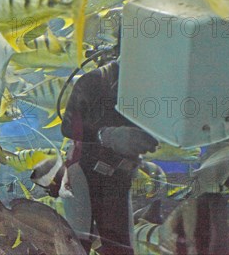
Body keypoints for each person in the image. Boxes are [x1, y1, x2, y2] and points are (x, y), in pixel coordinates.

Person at [62, 60, 158, 255]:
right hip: (83, 173)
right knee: (76, 248)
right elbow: (68, 127)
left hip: (118, 179)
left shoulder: (153, 85)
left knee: (121, 249)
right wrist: (105, 135)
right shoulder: (95, 81)